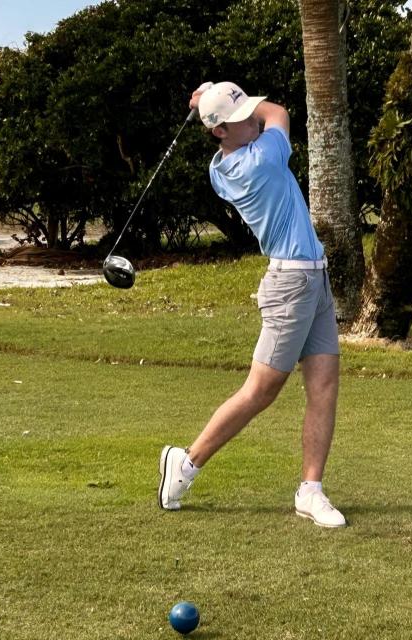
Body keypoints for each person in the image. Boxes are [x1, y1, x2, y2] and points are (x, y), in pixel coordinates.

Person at [157, 81, 345, 528]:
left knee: (324, 387)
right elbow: (278, 112)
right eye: (241, 117)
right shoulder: (260, 161)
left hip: (313, 276)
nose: (251, 118)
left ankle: (311, 491)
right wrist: (210, 97)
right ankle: (185, 464)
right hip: (289, 284)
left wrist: (207, 99)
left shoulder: (220, 167)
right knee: (261, 390)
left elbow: (257, 117)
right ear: (221, 131)